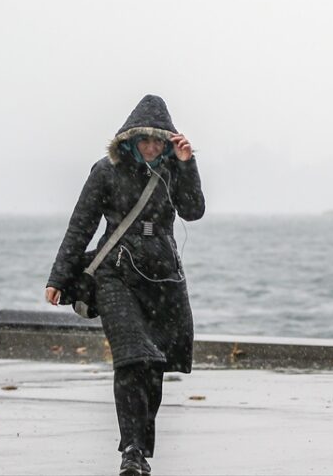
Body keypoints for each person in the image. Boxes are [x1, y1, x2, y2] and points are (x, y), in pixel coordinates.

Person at [46, 95, 205, 476]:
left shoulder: (173, 169)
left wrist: (188, 165)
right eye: (144, 140)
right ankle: (131, 450)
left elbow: (193, 210)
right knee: (133, 357)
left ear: (167, 141)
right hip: (115, 273)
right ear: (130, 141)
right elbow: (81, 224)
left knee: (153, 364)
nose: (151, 147)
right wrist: (58, 276)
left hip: (163, 276)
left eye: (158, 141)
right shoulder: (105, 171)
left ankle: (141, 447)